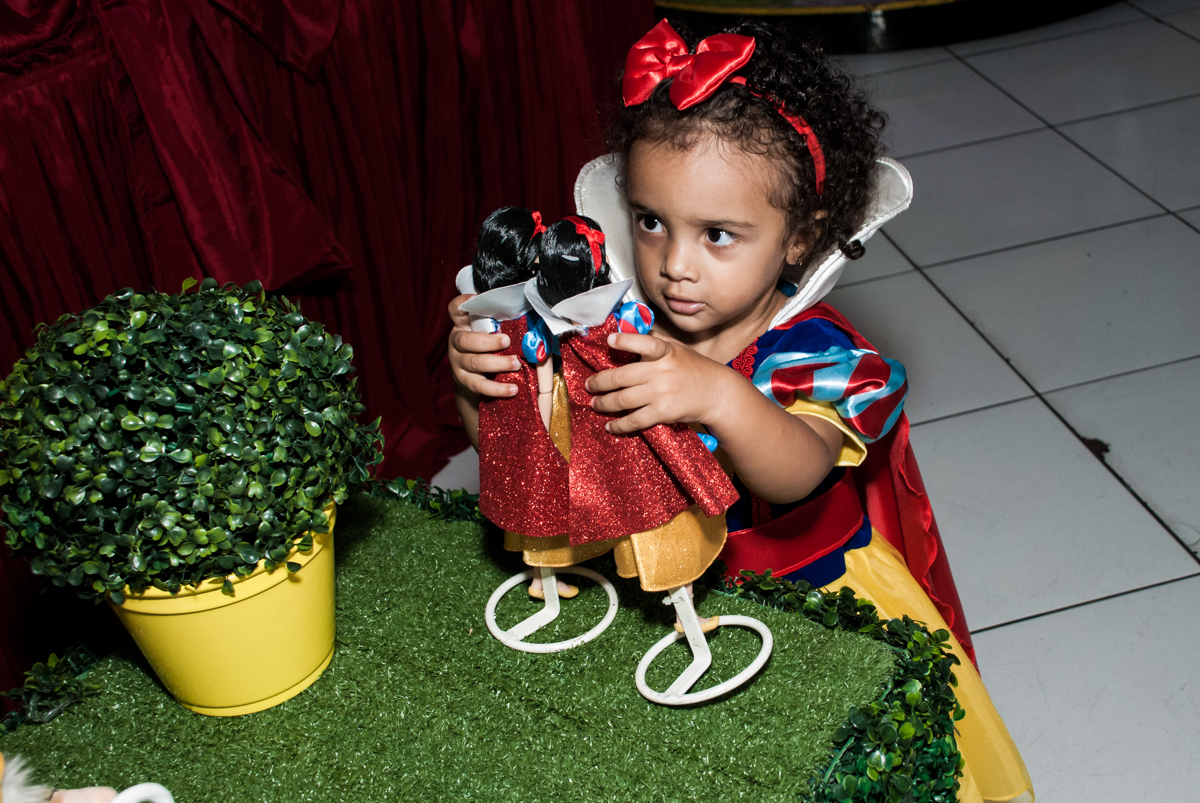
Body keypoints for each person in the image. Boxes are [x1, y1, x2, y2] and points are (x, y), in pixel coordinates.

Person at [449, 18, 1033, 803]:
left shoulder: (814, 351)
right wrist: (488, 386)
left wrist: (721, 394)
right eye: (651, 221)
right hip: (656, 591)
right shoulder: (618, 332)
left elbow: (800, 470)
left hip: (817, 596)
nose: (674, 265)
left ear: (801, 238)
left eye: (718, 235)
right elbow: (532, 466)